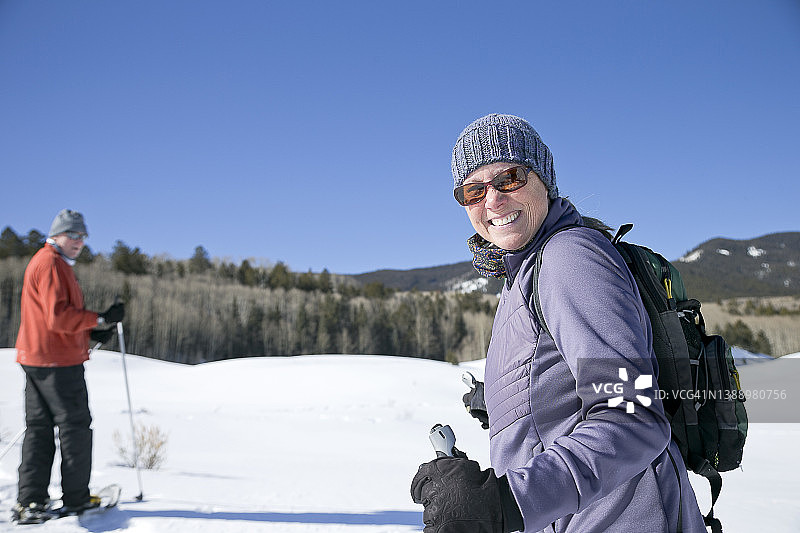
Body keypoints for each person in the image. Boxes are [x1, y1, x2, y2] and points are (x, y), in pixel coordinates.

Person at [411, 114, 706, 532]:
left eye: (509, 178)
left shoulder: (570, 258)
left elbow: (632, 417)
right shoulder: (522, 274)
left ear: (543, 180)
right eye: (473, 190)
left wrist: (504, 503)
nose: (491, 200)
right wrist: (506, 406)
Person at [11, 209, 125, 525]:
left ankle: (31, 500)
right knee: (74, 427)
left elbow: (55, 316)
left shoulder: (54, 263)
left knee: (40, 429)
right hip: (57, 362)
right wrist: (99, 319)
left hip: (38, 357)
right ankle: (76, 499)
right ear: (57, 235)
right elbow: (58, 316)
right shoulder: (50, 264)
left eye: (83, 236)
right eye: (73, 235)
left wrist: (91, 331)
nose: (78, 242)